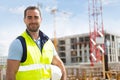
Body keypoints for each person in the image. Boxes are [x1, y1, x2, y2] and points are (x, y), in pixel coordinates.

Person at [6, 6, 66, 80]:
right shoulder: (18, 43)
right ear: (24, 20)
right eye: (29, 17)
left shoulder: (48, 43)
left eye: (36, 17)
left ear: (41, 19)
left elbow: (61, 66)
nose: (33, 21)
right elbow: (10, 74)